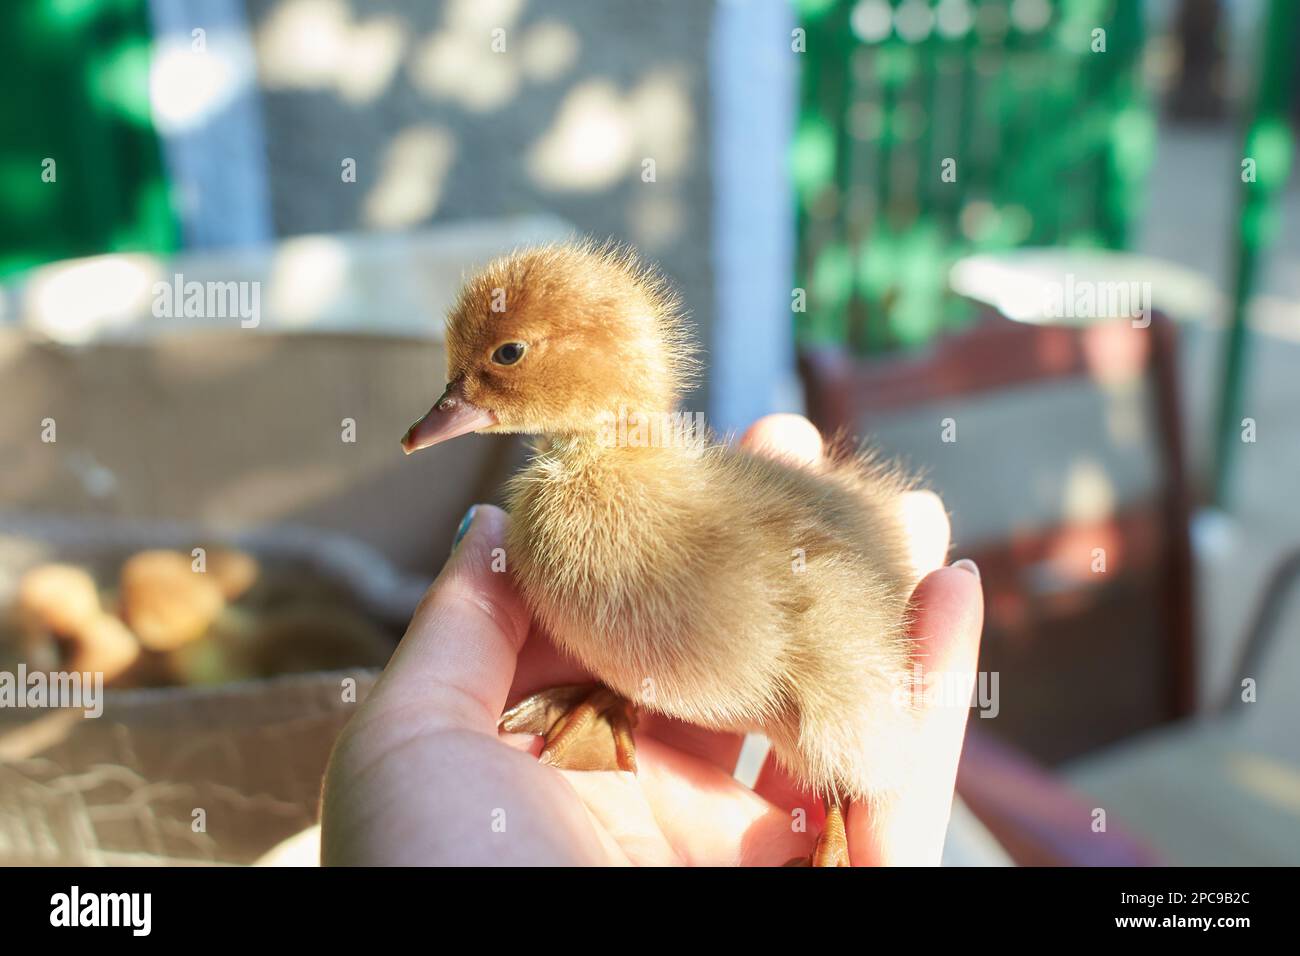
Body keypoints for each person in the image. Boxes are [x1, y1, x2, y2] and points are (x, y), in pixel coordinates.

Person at [321, 415, 984, 865]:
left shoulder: (630, 509)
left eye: (504, 357)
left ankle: (832, 827)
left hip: (828, 657)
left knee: (851, 766)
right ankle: (617, 703)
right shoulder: (602, 515)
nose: (449, 407)